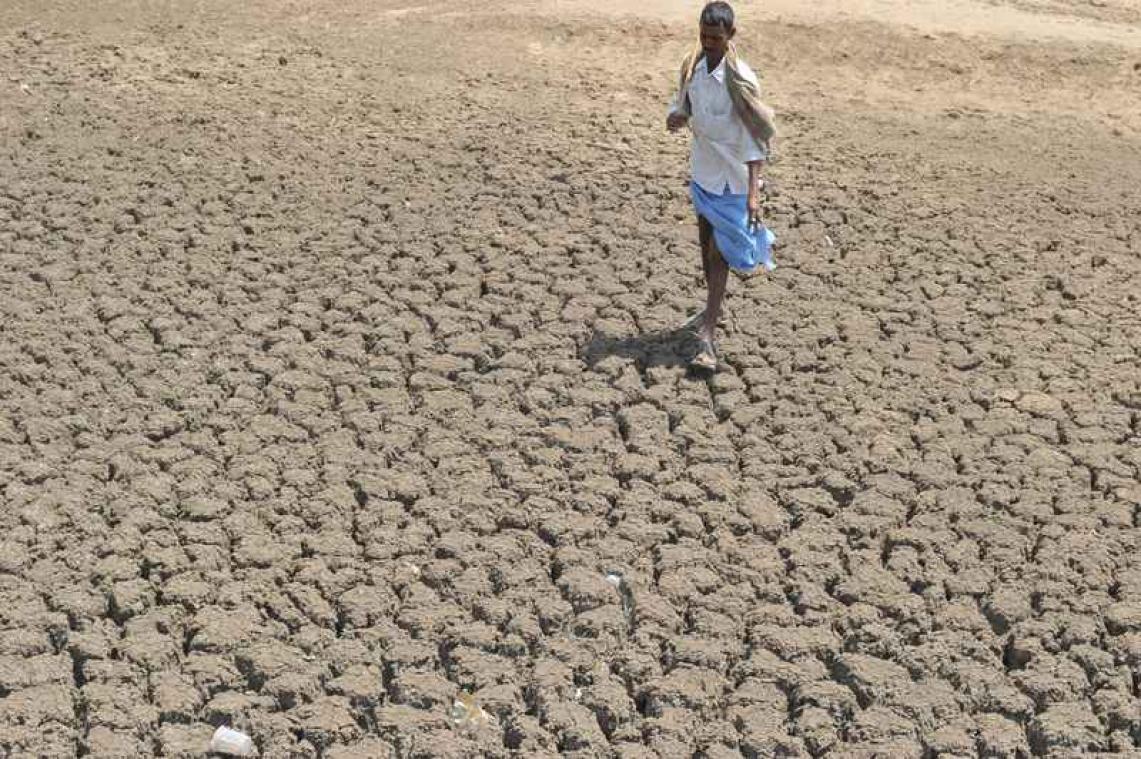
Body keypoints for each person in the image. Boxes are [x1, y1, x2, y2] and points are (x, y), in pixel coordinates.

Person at [667, 1, 777, 371]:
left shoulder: (741, 79)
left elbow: (755, 138)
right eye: (704, 36)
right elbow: (682, 101)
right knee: (706, 250)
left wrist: (753, 192)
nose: (709, 43)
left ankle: (707, 336)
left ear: (731, 36)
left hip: (732, 179)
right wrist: (677, 115)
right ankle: (712, 310)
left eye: (716, 38)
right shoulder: (692, 67)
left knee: (719, 253)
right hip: (703, 173)